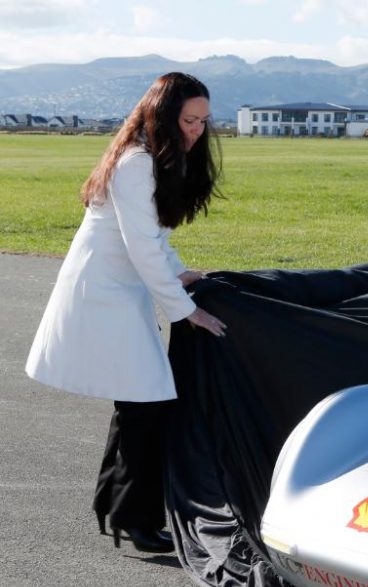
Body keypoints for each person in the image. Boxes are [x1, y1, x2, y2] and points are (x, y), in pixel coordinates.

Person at [25, 72, 227, 553]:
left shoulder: (151, 155)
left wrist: (180, 273)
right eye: (188, 119)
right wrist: (186, 310)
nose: (197, 130)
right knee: (148, 402)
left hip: (119, 291)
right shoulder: (137, 162)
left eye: (203, 121)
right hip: (103, 295)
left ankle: (119, 510)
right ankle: (131, 517)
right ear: (163, 113)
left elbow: (153, 240)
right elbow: (141, 246)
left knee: (142, 403)